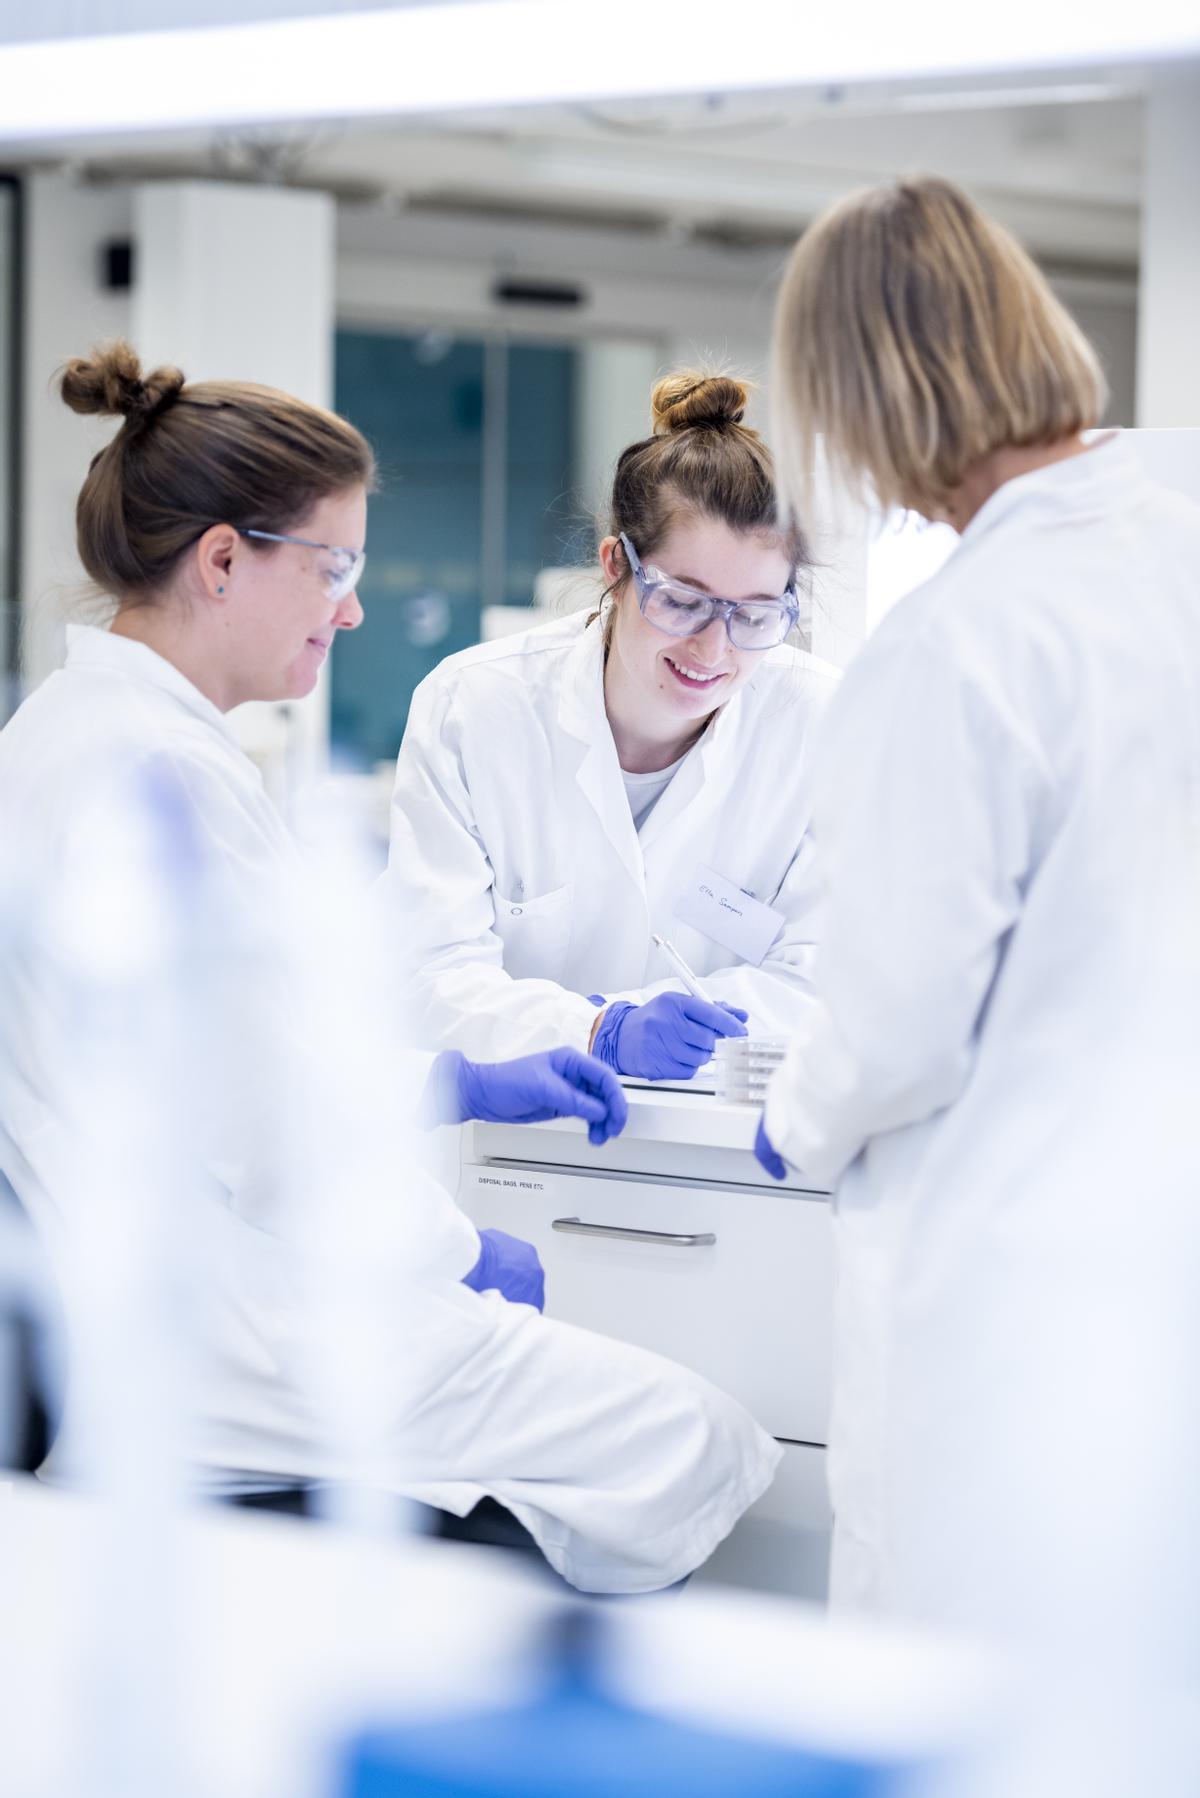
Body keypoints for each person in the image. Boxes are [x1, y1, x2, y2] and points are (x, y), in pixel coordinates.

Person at [0, 343, 781, 1593]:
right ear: (220, 560)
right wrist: (456, 1251)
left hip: (163, 1298)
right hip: (233, 1329)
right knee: (700, 1446)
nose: (355, 608)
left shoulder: (61, 734)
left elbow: (235, 1060)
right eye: (337, 566)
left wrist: (457, 1083)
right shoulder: (165, 776)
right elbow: (269, 1130)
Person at [758, 177, 1200, 1640]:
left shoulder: (956, 643)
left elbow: (893, 1026)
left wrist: (795, 1118)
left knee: (956, 1693)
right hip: (1160, 1260)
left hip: (1015, 1298)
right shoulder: (1176, 549)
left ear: (865, 398)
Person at [383, 371, 836, 1078]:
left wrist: (690, 1036)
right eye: (684, 601)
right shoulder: (475, 707)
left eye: (753, 615)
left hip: (720, 1146)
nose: (713, 651)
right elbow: (429, 975)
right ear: (614, 568)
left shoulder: (819, 724)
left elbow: (825, 978)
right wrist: (597, 1030)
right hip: (513, 1145)